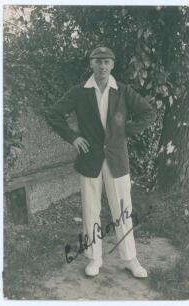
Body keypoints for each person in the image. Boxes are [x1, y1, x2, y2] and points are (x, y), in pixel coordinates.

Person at [45, 46, 156, 278]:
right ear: (91, 64)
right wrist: (73, 137)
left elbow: (148, 112)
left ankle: (130, 259)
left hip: (117, 160)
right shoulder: (80, 92)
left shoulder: (123, 91)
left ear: (112, 65)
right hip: (90, 160)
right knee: (91, 210)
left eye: (106, 61)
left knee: (123, 210)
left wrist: (124, 131)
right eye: (98, 61)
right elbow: (53, 114)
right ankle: (94, 258)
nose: (102, 66)